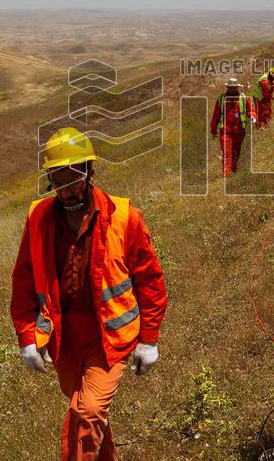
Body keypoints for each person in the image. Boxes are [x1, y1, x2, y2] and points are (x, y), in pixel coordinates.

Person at [10, 127, 168, 460]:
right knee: (88, 413)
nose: (67, 189)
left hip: (109, 335)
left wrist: (149, 339)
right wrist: (27, 338)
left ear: (90, 171)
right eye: (58, 179)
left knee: (87, 414)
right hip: (62, 337)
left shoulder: (125, 217)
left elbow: (151, 280)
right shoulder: (38, 219)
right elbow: (23, 281)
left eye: (73, 177)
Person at [209, 77, 257, 176]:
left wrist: (253, 116)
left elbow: (250, 110)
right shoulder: (221, 99)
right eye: (230, 88)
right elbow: (216, 116)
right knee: (227, 154)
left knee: (236, 153)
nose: (232, 89)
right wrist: (213, 131)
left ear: (237, 88)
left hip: (239, 131)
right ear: (227, 88)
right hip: (225, 132)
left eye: (234, 88)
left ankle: (233, 172)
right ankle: (226, 175)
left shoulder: (243, 98)